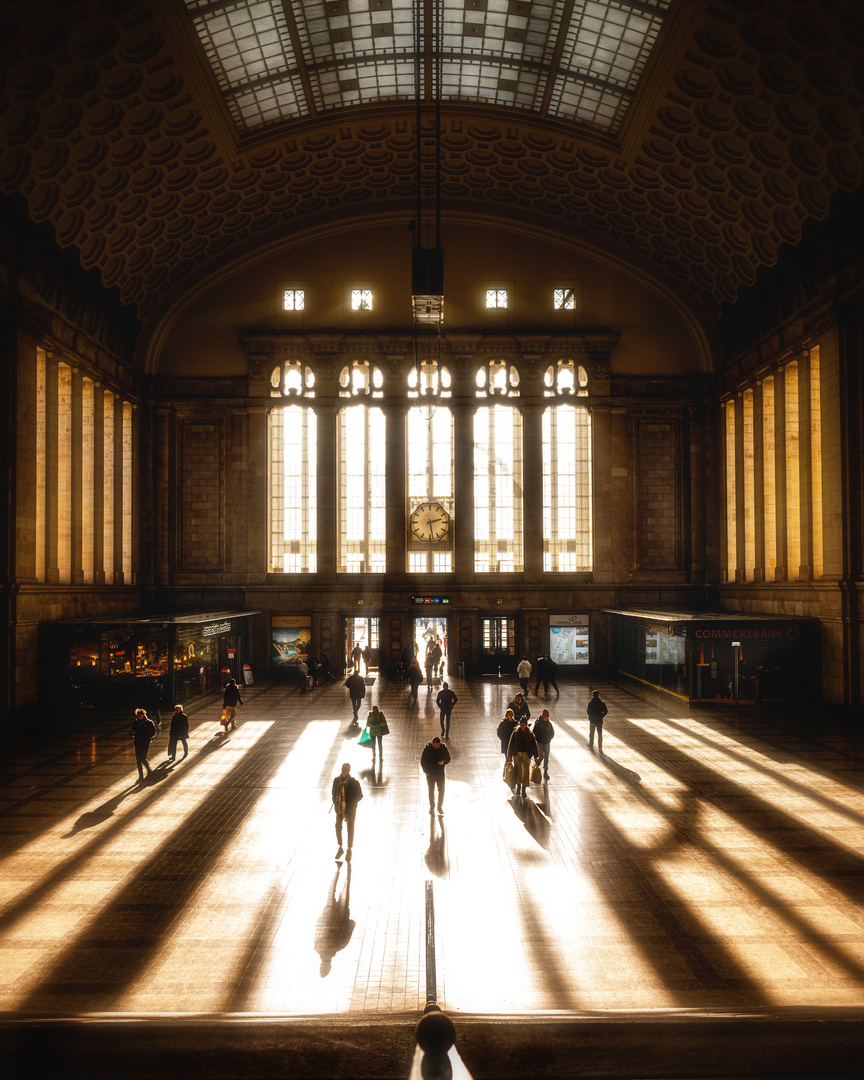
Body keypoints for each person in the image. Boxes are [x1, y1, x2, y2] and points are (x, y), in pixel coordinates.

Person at [331, 762, 363, 860]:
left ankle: (349, 849)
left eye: (345, 768)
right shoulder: (336, 781)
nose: (343, 770)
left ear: (349, 770)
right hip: (340, 808)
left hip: (350, 809)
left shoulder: (354, 783)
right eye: (342, 768)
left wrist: (352, 804)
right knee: (338, 827)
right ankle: (340, 846)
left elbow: (359, 795)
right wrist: (336, 804)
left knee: (350, 828)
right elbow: (333, 793)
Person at [507, 716, 538, 798]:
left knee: (526, 772)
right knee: (518, 771)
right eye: (521, 724)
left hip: (526, 754)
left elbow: (534, 745)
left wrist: (536, 756)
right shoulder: (515, 732)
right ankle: (519, 787)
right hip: (517, 754)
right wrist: (509, 755)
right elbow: (511, 744)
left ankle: (523, 788)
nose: (523, 725)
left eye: (524, 724)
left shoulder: (530, 733)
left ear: (526, 724)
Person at [421, 736, 451, 815]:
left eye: (438, 745)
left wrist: (444, 761)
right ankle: (432, 806)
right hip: (430, 773)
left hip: (440, 773)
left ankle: (439, 806)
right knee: (431, 790)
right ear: (432, 743)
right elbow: (423, 761)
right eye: (435, 745)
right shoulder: (427, 748)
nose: (437, 747)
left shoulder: (443, 748)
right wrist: (426, 772)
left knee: (441, 790)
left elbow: (448, 758)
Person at [130, 708, 157, 782]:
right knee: (138, 759)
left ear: (144, 715)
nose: (139, 717)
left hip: (145, 742)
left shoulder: (149, 722)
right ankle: (141, 776)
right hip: (137, 742)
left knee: (142, 758)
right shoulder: (135, 723)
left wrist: (148, 738)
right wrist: (132, 733)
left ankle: (148, 770)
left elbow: (153, 732)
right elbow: (131, 731)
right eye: (138, 716)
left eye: (140, 715)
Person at [532, 709, 554, 779]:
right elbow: (534, 732)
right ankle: (537, 765)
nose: (546, 718)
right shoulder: (538, 723)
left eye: (547, 717)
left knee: (546, 757)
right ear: (542, 716)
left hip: (547, 742)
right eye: (545, 717)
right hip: (540, 742)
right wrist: (538, 739)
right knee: (541, 756)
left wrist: (549, 739)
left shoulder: (549, 724)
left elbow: (552, 733)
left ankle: (545, 771)